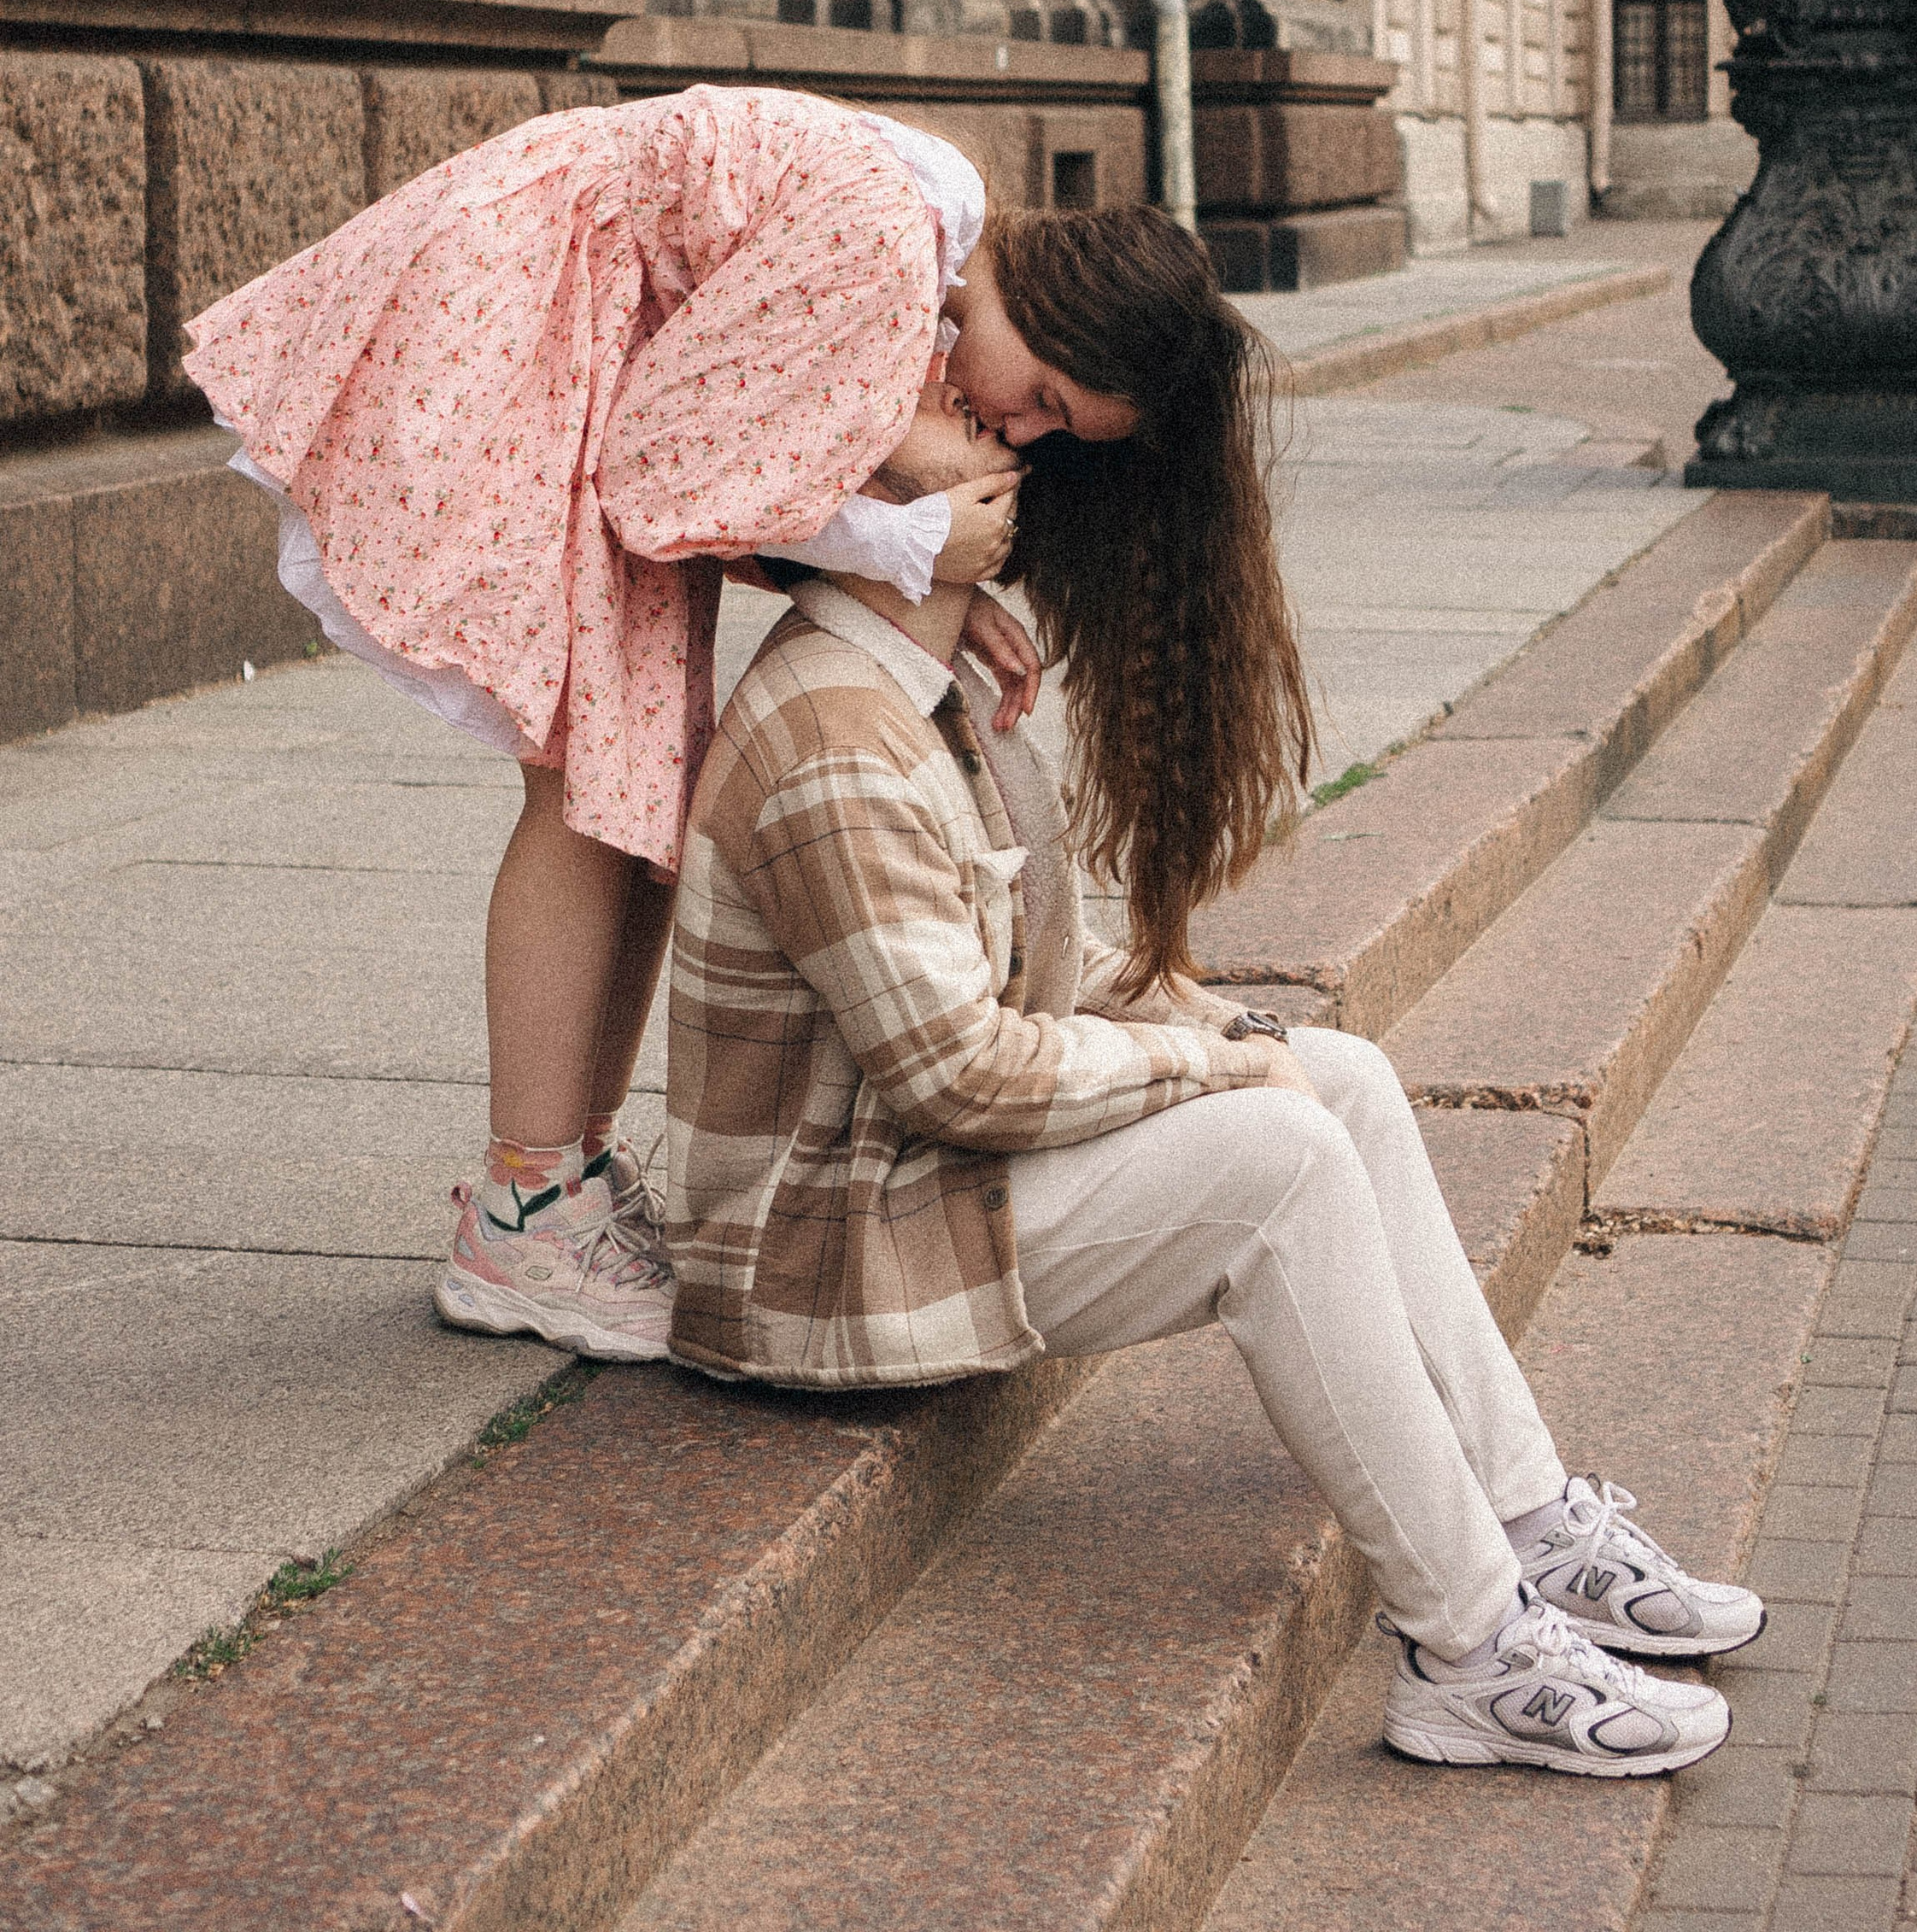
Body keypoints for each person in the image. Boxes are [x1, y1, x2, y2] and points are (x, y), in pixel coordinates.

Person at [666, 360, 1764, 1779]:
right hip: (826, 1253)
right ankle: (1473, 1653)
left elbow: (1034, 976)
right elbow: (955, 1074)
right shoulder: (832, 733)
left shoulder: (917, 676)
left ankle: (1527, 1511)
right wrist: (1209, 1076)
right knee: (1277, 1160)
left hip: (919, 1170)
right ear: (860, 497)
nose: (991, 415)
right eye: (941, 408)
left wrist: (1224, 1037)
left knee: (1344, 1079)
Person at [179, 86, 1299, 1362]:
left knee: (636, 788)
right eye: (1043, 394)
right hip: (523, 327)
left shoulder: (925, 248)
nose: (1023, 428)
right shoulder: (889, 245)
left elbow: (739, 462)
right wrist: (909, 534)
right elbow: (666, 477)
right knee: (581, 781)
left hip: (576, 339)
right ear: (1042, 306)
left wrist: (930, 582)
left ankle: (564, 1182)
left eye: (1053, 431)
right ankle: (527, 1205)